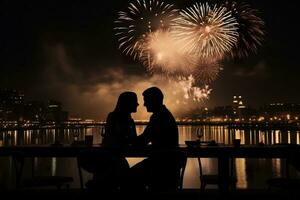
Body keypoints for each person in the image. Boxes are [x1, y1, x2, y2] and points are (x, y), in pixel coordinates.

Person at [80, 91, 139, 191]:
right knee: (125, 176)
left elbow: (128, 140)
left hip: (110, 159)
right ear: (127, 103)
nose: (138, 104)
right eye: (135, 102)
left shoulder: (122, 119)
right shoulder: (116, 118)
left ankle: (98, 185)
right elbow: (126, 140)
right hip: (111, 159)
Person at [130, 87, 182, 191]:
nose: (144, 104)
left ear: (154, 100)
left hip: (160, 167)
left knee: (128, 177)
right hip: (170, 168)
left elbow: (144, 140)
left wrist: (129, 137)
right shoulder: (165, 114)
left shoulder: (158, 117)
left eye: (146, 100)